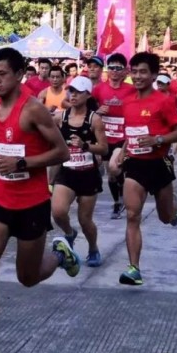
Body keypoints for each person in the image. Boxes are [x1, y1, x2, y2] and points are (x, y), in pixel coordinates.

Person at [0, 47, 76, 353]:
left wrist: (23, 163)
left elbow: (62, 152)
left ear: (18, 75)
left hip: (31, 205)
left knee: (28, 277)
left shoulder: (33, 110)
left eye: (2, 75)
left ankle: (59, 254)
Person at [113, 53, 177, 286]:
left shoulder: (163, 101)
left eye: (143, 72)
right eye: (134, 71)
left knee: (165, 218)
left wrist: (158, 140)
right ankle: (134, 268)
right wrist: (123, 152)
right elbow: (130, 133)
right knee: (133, 215)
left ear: (154, 75)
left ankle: (173, 207)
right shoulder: (128, 102)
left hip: (159, 163)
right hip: (135, 164)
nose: (137, 76)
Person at [51, 76, 108, 267]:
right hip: (67, 172)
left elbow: (104, 149)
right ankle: (69, 233)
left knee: (85, 220)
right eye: (71, 91)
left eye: (78, 92)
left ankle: (93, 248)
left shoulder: (95, 119)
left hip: (88, 174)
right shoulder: (61, 117)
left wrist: (86, 146)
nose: (73, 95)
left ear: (88, 95)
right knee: (58, 212)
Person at [91, 53, 135, 219]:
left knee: (113, 167)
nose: (115, 71)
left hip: (123, 137)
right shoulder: (99, 89)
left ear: (125, 71)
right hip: (104, 136)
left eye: (119, 68)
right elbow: (87, 109)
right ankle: (118, 201)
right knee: (111, 174)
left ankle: (121, 198)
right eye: (112, 68)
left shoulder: (131, 90)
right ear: (107, 70)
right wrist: (96, 111)